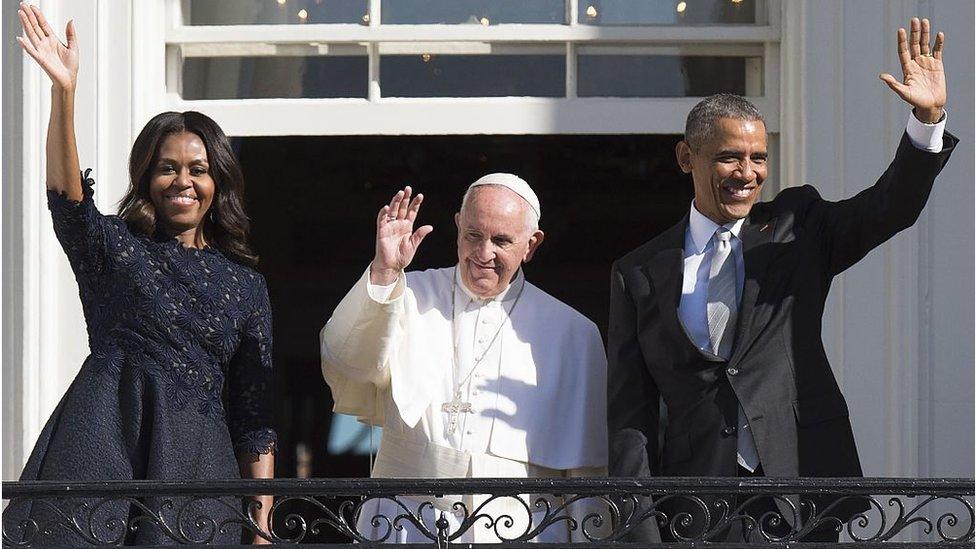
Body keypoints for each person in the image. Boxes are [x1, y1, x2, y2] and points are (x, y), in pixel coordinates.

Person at [607, 17, 955, 543]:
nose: (747, 172)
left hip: (800, 491)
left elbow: (889, 209)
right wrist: (639, 529)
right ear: (687, 157)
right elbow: (631, 414)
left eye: (758, 157)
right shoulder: (638, 272)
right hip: (696, 504)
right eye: (729, 157)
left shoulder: (799, 227)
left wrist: (926, 121)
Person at [11, 4, 276, 545]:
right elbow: (67, 200)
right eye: (167, 167)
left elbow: (255, 416)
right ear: (147, 178)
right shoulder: (115, 251)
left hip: (196, 472)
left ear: (218, 182)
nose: (183, 181)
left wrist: (262, 525)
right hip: (99, 454)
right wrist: (65, 94)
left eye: (198, 169)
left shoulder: (246, 286)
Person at [320, 174, 607, 543]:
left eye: (501, 241)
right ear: (457, 226)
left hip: (521, 528)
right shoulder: (405, 296)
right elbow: (347, 361)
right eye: (473, 235)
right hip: (408, 521)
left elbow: (587, 475)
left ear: (531, 245)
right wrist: (385, 271)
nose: (483, 253)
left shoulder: (574, 333)